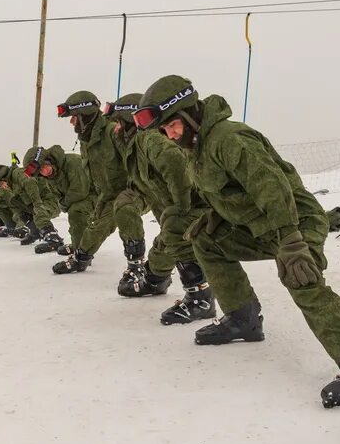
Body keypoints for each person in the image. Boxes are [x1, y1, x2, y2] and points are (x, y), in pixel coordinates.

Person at [134, 76, 340, 406]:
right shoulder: (197, 149)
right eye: (164, 130)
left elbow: (272, 188)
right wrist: (215, 215)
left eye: (173, 125)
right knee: (206, 239)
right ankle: (243, 318)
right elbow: (227, 191)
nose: (171, 135)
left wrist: (292, 242)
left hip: (293, 220)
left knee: (299, 273)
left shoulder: (229, 138)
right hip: (257, 227)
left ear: (189, 114)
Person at [107, 93, 217, 324]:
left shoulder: (149, 139)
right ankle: (156, 281)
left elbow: (175, 162)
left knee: (178, 232)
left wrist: (182, 207)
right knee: (165, 245)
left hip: (196, 211)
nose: (115, 128)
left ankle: (201, 299)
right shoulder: (135, 145)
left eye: (117, 122)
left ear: (127, 120)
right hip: (172, 214)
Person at [54, 91, 147, 275]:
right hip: (107, 194)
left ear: (85, 115)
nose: (71, 122)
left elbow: (134, 159)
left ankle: (137, 265)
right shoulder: (86, 140)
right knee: (97, 226)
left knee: (124, 213)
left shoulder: (112, 131)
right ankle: (81, 259)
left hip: (133, 190)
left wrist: (133, 191)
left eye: (74, 118)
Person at [20, 144, 97, 274]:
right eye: (40, 171)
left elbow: (80, 191)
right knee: (75, 213)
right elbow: (57, 195)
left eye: (44, 167)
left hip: (97, 195)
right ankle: (78, 245)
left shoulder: (73, 162)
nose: (44, 172)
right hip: (80, 198)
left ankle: (82, 256)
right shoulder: (50, 176)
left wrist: (64, 204)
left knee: (76, 212)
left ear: (48, 160)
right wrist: (63, 204)